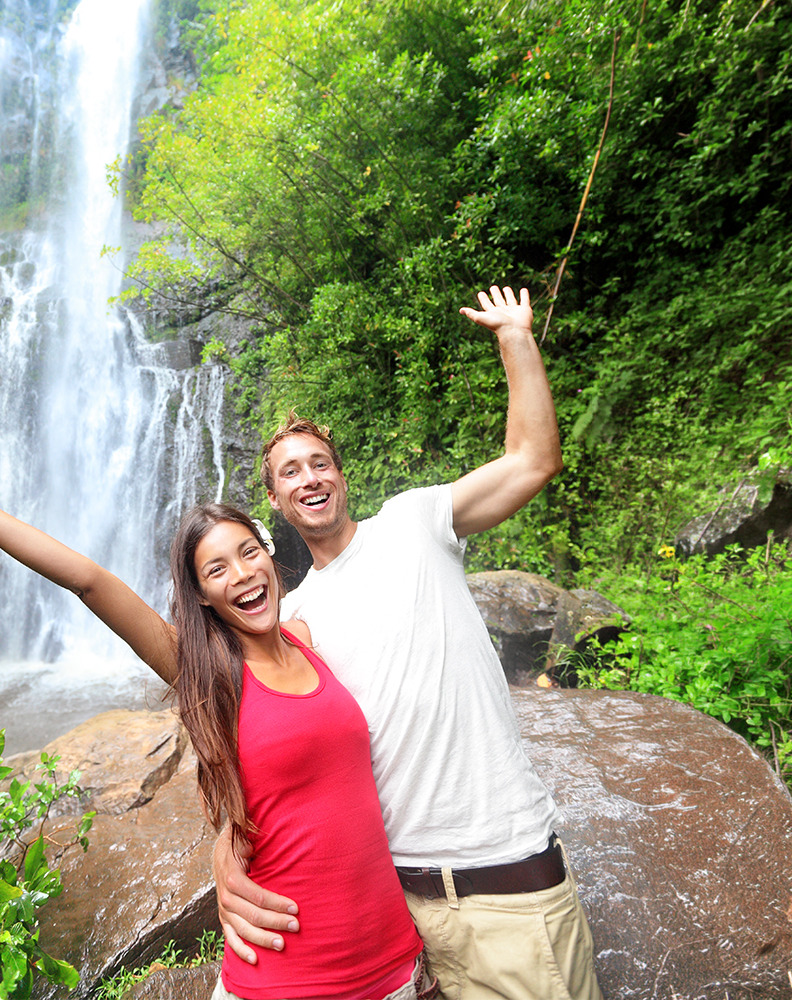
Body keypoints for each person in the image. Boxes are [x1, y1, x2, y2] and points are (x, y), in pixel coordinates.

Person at [0, 475, 427, 999]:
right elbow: (89, 580)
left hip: (392, 964)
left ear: (269, 553)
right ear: (203, 597)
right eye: (216, 569)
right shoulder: (208, 673)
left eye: (248, 552)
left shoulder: (309, 640)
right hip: (288, 973)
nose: (240, 573)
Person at [215, 286, 602, 1000]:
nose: (310, 476)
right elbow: (262, 749)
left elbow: (532, 460)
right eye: (290, 471)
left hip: (505, 884)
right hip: (399, 914)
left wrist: (516, 336)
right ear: (275, 500)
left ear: (340, 474)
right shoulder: (292, 620)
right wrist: (223, 850)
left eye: (319, 461)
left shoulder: (415, 522)